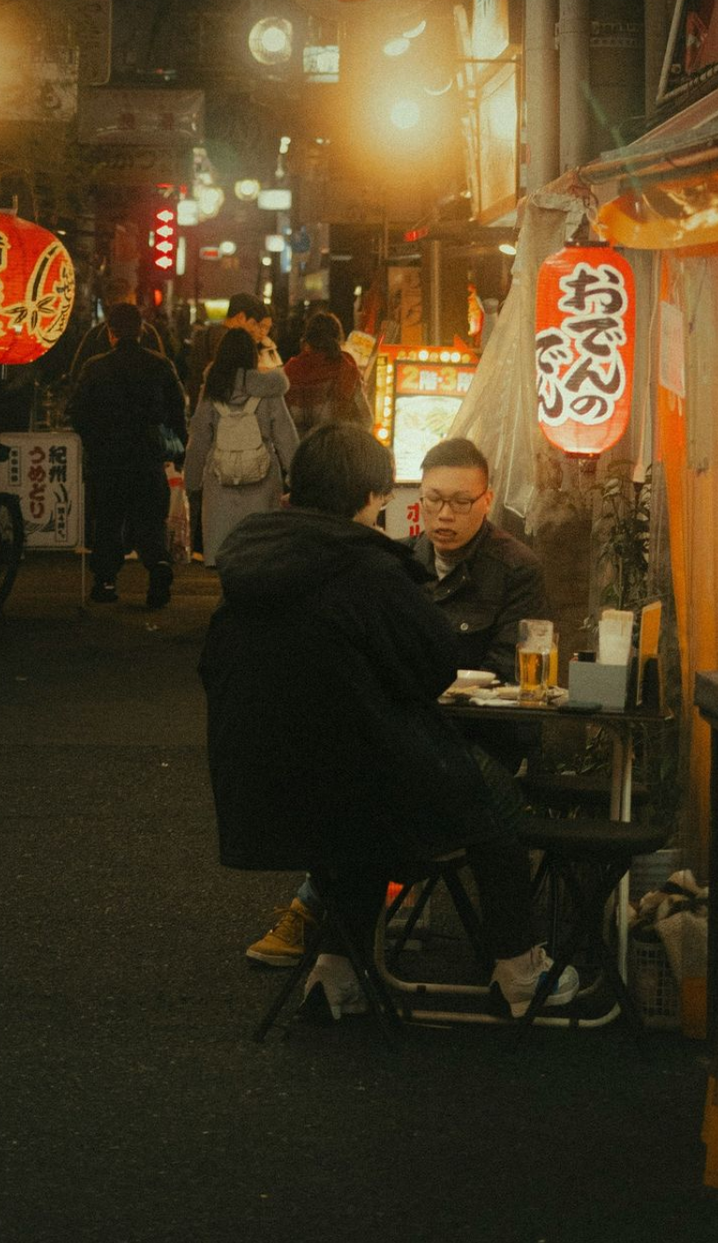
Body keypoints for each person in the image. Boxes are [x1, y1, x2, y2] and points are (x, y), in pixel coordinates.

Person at [201, 423, 580, 1020]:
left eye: (459, 501)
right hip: (372, 772)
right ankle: (519, 970)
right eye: (424, 499)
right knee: (491, 799)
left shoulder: (248, 565)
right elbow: (429, 666)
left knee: (360, 808)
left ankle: (335, 970)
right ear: (373, 495)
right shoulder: (368, 568)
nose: (438, 514)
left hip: (262, 784)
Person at [68, 300, 188, 607]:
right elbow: (177, 411)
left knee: (108, 520)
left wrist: (94, 440)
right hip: (147, 457)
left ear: (110, 332)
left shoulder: (95, 367)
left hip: (107, 458)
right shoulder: (160, 364)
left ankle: (105, 581)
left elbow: (77, 412)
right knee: (150, 522)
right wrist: (179, 448)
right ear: (141, 330)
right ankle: (158, 568)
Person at [409, 438, 546, 683]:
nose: (445, 515)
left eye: (461, 502)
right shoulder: (398, 562)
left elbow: (506, 670)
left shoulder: (517, 569)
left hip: (478, 716)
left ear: (487, 501)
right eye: (433, 499)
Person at [182, 325, 297, 568]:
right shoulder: (269, 391)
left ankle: (229, 599)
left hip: (219, 481)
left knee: (225, 551)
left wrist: (191, 481)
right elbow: (286, 436)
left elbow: (199, 437)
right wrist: (298, 478)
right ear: (252, 357)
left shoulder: (212, 391)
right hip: (263, 481)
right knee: (259, 553)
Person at [281, 309, 371, 432]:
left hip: (300, 449)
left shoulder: (290, 370)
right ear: (338, 339)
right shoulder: (346, 368)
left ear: (307, 339)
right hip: (336, 447)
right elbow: (366, 420)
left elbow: (281, 423)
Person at [186, 291, 276, 404]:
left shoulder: (209, 334)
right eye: (253, 323)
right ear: (241, 317)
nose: (255, 330)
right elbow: (236, 380)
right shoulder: (230, 341)